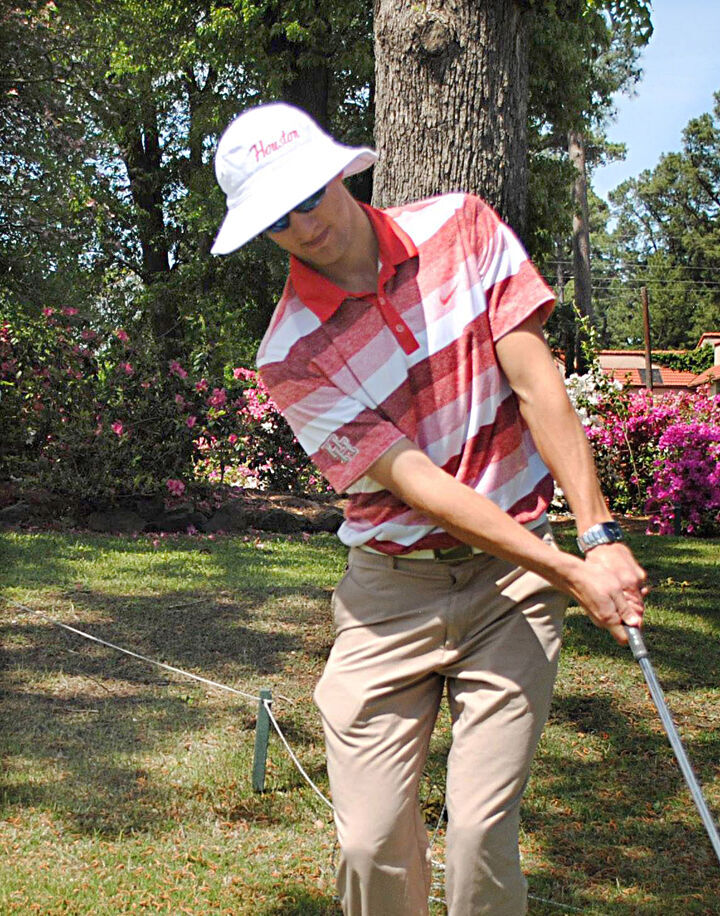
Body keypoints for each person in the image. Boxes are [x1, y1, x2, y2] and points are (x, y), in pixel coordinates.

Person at [211, 101, 648, 916]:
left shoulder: (463, 227)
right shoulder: (289, 354)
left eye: (308, 195)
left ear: (340, 172)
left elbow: (535, 382)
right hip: (389, 597)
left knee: (481, 832)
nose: (303, 224)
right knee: (369, 842)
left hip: (510, 590)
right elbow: (417, 483)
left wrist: (598, 536)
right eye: (277, 218)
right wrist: (567, 569)